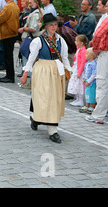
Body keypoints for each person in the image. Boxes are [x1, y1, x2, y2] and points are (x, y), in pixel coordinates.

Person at [20, 13, 72, 143]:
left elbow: (64, 57)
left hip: (56, 70)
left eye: (55, 24)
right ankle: (36, 117)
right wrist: (25, 73)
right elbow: (31, 58)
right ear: (46, 27)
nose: (54, 27)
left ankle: (52, 129)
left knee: (54, 99)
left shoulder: (60, 40)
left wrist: (69, 70)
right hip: (42, 69)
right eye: (51, 25)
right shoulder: (38, 40)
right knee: (43, 97)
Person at [0, 0, 20, 83]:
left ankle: (9, 76)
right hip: (13, 33)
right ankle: (9, 75)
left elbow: (0, 18)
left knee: (8, 56)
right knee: (9, 55)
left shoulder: (7, 7)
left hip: (7, 33)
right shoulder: (15, 6)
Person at [67, 34, 87, 107]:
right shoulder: (78, 49)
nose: (75, 42)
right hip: (76, 68)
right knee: (75, 83)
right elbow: (76, 59)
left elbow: (83, 62)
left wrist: (80, 72)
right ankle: (77, 98)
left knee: (79, 84)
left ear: (81, 42)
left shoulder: (83, 51)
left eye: (77, 41)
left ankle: (80, 100)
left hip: (80, 70)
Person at [80, 48, 97, 114]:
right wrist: (84, 79)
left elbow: (94, 74)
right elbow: (85, 72)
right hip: (87, 80)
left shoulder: (94, 64)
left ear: (92, 55)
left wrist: (88, 81)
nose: (85, 55)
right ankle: (87, 105)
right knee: (87, 93)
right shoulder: (87, 63)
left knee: (92, 93)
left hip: (91, 82)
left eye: (87, 53)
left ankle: (92, 106)